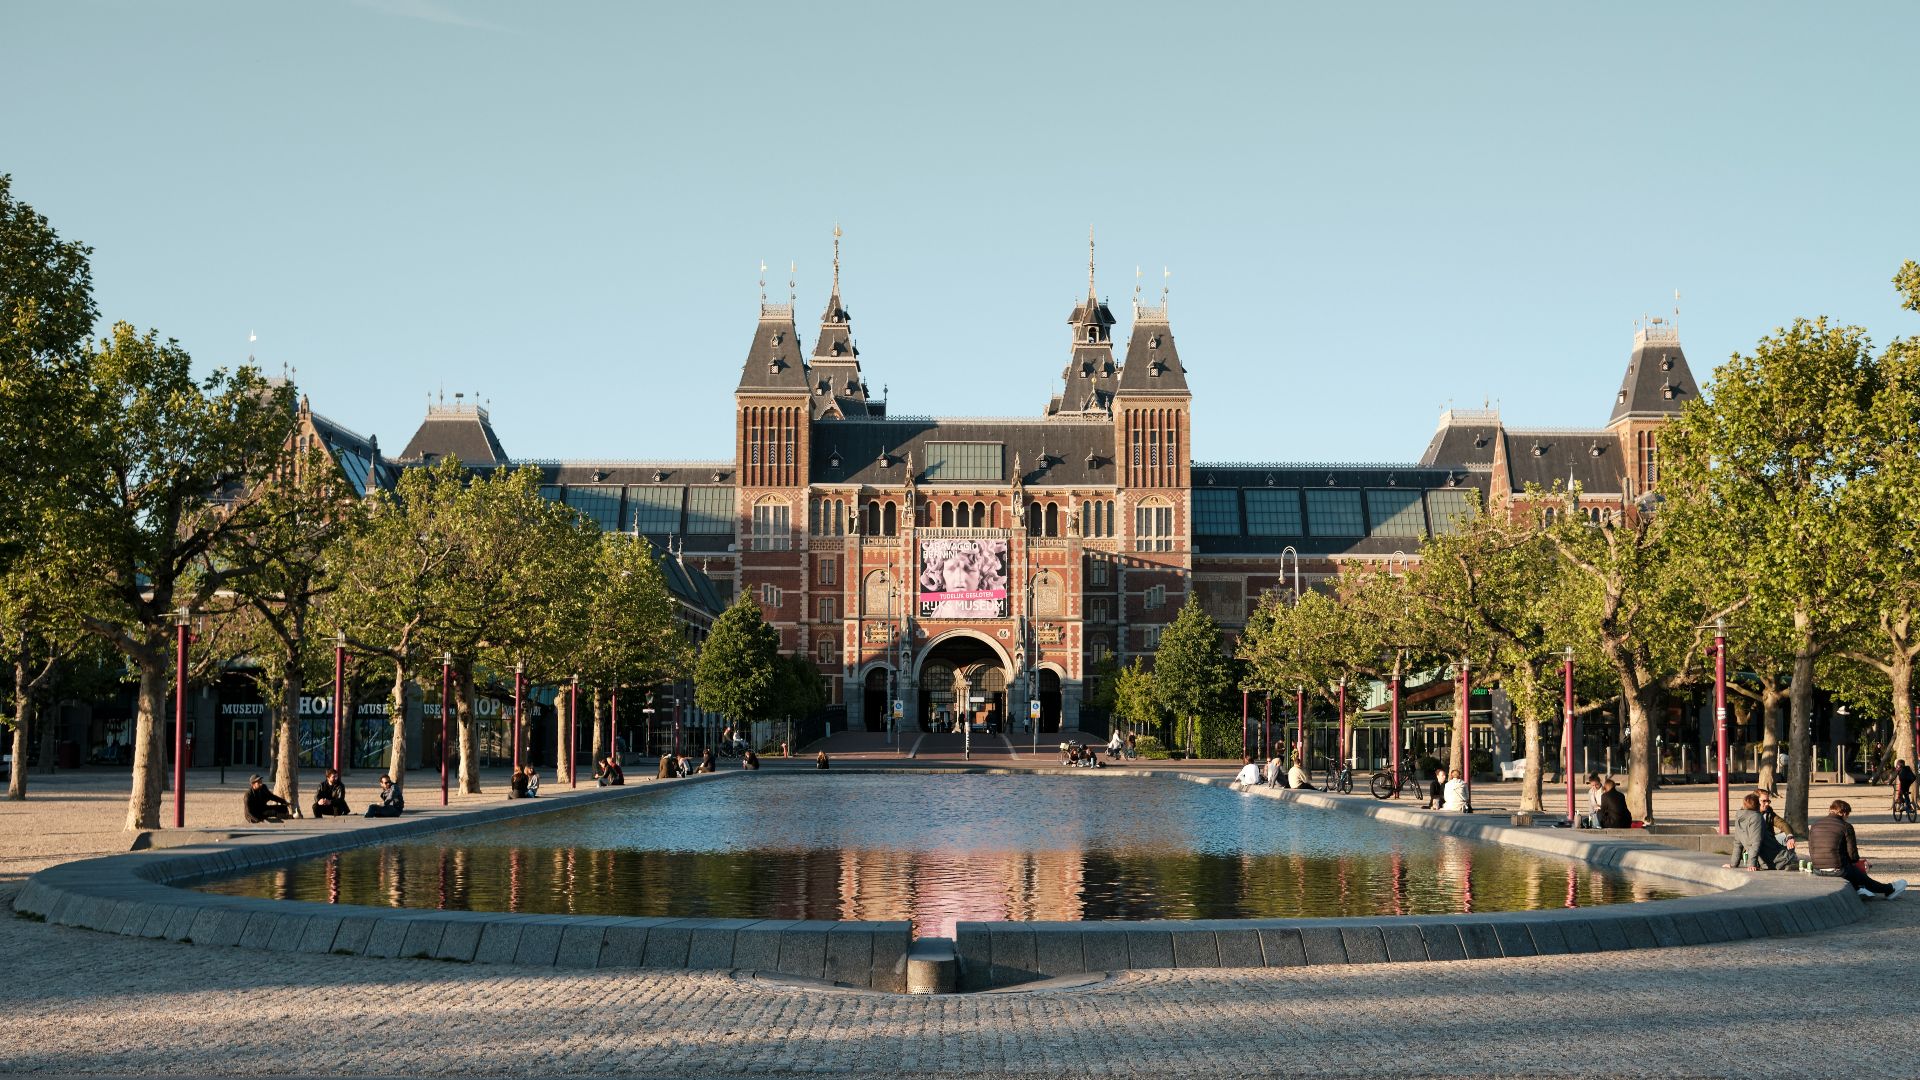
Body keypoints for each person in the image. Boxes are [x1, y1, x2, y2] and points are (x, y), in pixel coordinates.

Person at [1808, 799, 1906, 900]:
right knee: (1858, 873)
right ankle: (1888, 889)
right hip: (1838, 870)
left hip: (1818, 870)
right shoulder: (1846, 827)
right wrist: (1859, 863)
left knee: (1853, 871)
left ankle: (1859, 889)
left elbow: (1811, 849)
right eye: (1847, 816)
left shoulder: (1815, 825)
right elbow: (1853, 856)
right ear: (1844, 813)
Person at [1729, 791, 1797, 870]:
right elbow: (1755, 842)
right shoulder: (1753, 817)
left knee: (1786, 836)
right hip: (1752, 850)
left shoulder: (1768, 813)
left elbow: (1783, 824)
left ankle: (1789, 857)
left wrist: (1790, 836)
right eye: (1764, 801)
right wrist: (1751, 864)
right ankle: (1788, 859)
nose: (1767, 804)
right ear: (1755, 801)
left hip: (1766, 843)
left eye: (1768, 801)